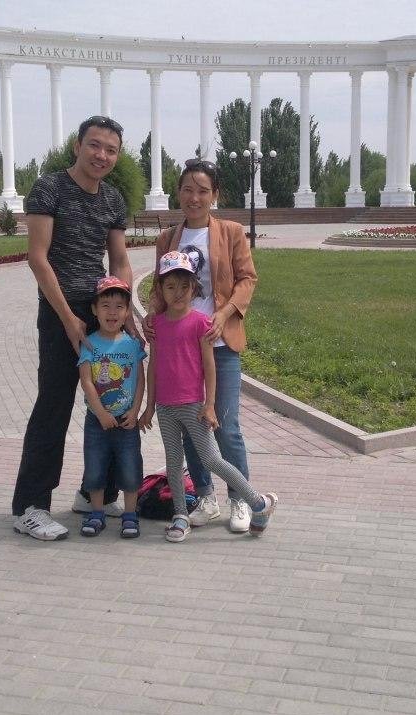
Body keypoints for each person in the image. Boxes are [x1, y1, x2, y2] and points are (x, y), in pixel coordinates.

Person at [12, 116, 137, 541]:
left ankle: (95, 493)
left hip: (102, 310)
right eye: (94, 145)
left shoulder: (113, 199)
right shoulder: (49, 188)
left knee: (113, 398)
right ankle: (30, 506)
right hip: (59, 311)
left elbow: (119, 260)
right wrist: (68, 319)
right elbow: (38, 258)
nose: (102, 155)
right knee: (55, 404)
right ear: (77, 146)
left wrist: (124, 311)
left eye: (111, 150)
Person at [146, 158, 259, 533]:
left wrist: (224, 314)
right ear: (178, 193)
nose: (194, 197)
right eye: (187, 190)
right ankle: (206, 498)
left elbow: (247, 279)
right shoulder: (167, 238)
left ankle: (240, 498)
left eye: (202, 191)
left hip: (219, 344)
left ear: (215, 195)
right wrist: (152, 314)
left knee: (225, 425)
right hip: (182, 348)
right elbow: (160, 286)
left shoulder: (230, 232)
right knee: (191, 427)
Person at [138, 251, 278, 543]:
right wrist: (149, 406)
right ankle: (180, 515)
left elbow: (209, 366)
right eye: (170, 286)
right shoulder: (157, 325)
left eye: (184, 286)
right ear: (160, 290)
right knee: (173, 462)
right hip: (165, 407)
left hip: (193, 406)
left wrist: (210, 404)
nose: (178, 293)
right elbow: (153, 365)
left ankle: (258, 503)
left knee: (212, 459)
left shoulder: (201, 323)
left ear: (194, 288)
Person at [76, 276, 147, 539]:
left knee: (130, 466)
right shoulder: (89, 343)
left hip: (127, 421)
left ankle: (130, 515)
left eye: (119, 306)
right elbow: (86, 381)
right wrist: (101, 413)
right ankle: (96, 512)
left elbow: (139, 379)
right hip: (97, 421)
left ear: (127, 312)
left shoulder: (132, 344)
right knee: (95, 465)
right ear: (94, 310)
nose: (112, 312)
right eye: (105, 305)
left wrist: (136, 410)